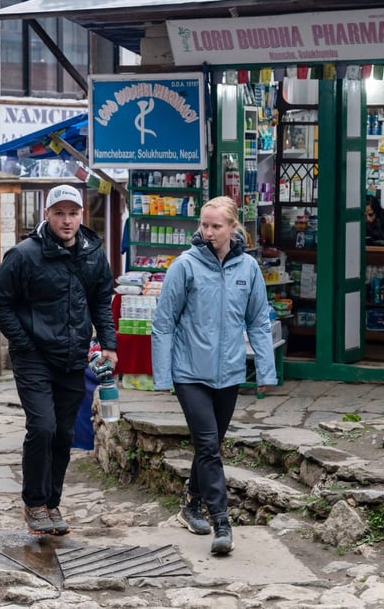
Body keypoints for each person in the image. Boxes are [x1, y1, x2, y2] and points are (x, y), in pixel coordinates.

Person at [0, 184, 118, 536]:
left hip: (73, 357)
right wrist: (24, 342)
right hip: (34, 358)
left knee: (64, 433)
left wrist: (108, 343)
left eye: (73, 213)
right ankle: (33, 503)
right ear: (47, 215)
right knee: (42, 427)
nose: (67, 220)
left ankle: (52, 503)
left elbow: (101, 300)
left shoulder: (92, 254)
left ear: (81, 216)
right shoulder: (24, 255)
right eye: (59, 213)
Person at [150, 195, 277, 556]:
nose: (207, 232)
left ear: (233, 228)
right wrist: (163, 376)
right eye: (204, 225)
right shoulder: (184, 266)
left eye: (215, 226)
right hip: (190, 371)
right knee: (207, 444)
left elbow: (258, 321)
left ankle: (191, 502)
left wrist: (265, 370)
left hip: (230, 372)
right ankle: (222, 521)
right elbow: (163, 324)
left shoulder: (248, 269)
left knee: (210, 445)